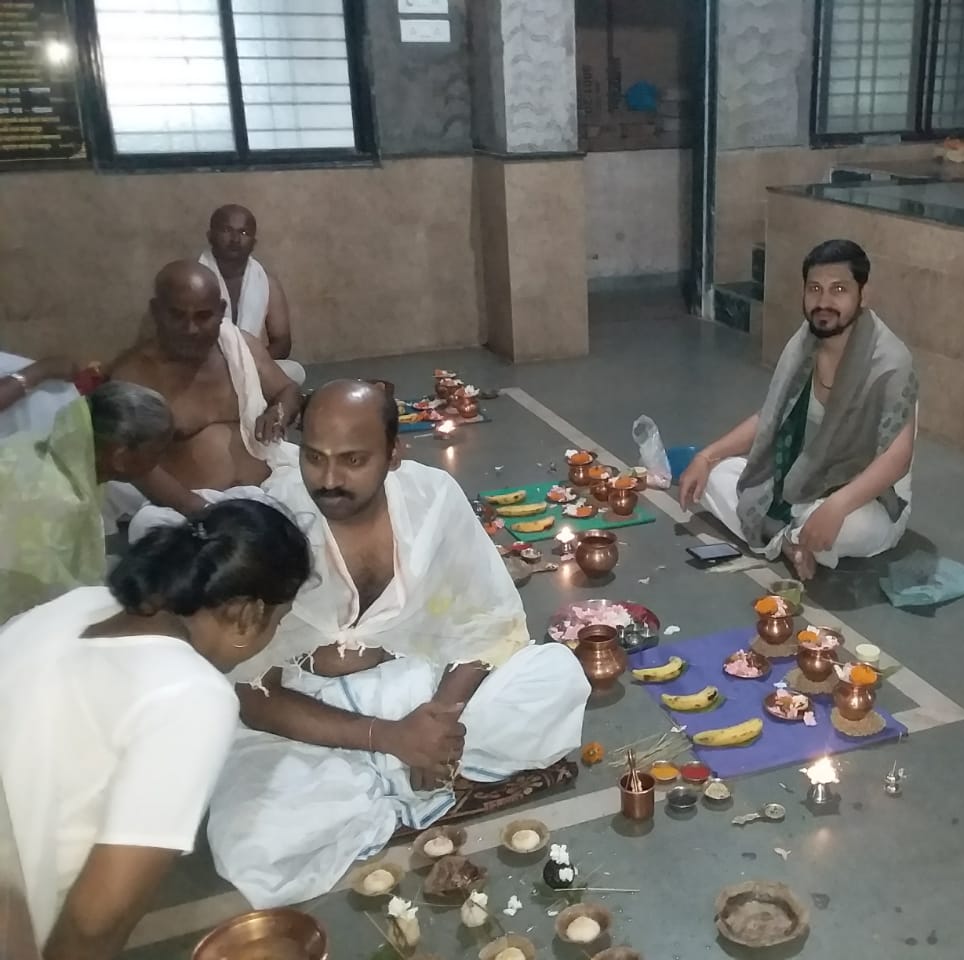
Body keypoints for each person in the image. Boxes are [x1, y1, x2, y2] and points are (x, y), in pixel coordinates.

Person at [206, 380, 590, 907]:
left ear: (393, 453)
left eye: (353, 460)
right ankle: (406, 777)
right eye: (314, 457)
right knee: (253, 845)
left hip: (426, 688)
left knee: (555, 677)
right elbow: (254, 693)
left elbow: (487, 622)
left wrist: (439, 720)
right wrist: (387, 737)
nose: (330, 480)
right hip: (316, 719)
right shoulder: (274, 522)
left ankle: (398, 780)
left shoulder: (432, 500)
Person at [0, 499, 312, 960]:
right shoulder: (191, 695)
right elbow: (96, 920)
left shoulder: (75, 606)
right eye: (278, 623)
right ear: (249, 615)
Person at [679, 239, 917, 581]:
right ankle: (791, 542)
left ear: (863, 295)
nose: (824, 302)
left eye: (839, 290)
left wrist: (837, 505)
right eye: (814, 289)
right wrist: (706, 456)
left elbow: (897, 458)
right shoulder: (804, 344)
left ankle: (791, 531)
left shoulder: (890, 362)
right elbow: (769, 419)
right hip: (806, 479)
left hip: (869, 496)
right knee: (718, 476)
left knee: (847, 526)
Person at [107, 260, 300, 540]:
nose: (191, 329)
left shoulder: (241, 347)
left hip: (273, 488)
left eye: (203, 316)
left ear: (220, 311)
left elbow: (288, 389)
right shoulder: (135, 373)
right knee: (149, 528)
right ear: (157, 311)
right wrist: (199, 509)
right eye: (177, 315)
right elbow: (132, 462)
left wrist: (278, 412)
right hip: (193, 507)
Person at [0, 365, 172, 621]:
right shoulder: (60, 504)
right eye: (157, 452)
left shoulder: (48, 451)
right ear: (121, 458)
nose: (161, 460)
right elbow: (38, 605)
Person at [198, 204, 305, 385]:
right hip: (205, 369)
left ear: (253, 243)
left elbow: (282, 343)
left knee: (295, 371)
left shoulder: (266, 282)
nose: (235, 239)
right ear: (210, 236)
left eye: (244, 232)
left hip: (251, 366)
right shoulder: (193, 280)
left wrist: (247, 363)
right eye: (226, 230)